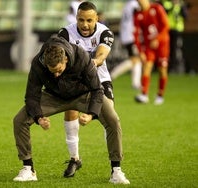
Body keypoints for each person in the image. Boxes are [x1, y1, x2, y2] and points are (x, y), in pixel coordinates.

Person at [12, 36, 130, 184]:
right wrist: (38, 117)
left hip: (83, 94)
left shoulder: (81, 56)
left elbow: (96, 89)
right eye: (52, 71)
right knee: (19, 120)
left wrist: (91, 114)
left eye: (59, 70)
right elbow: (31, 96)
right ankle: (28, 169)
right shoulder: (38, 63)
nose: (56, 74)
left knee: (113, 119)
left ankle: (116, 171)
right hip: (54, 96)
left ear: (65, 60)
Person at [58, 1, 126, 181]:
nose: (85, 24)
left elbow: (101, 56)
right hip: (75, 80)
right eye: (81, 20)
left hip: (100, 79)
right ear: (76, 18)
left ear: (97, 18)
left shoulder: (105, 32)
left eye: (89, 20)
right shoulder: (65, 33)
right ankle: (74, 158)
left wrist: (90, 64)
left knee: (111, 117)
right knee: (70, 110)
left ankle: (116, 170)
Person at [134, 0, 170, 105]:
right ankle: (144, 94)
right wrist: (140, 51)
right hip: (149, 46)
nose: (140, 2)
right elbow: (136, 34)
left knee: (162, 69)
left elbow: (166, 26)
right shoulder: (138, 14)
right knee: (147, 67)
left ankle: (160, 95)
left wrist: (157, 39)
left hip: (162, 45)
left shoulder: (157, 8)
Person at [110, 0, 142, 90]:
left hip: (126, 34)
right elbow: (139, 16)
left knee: (136, 59)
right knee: (135, 59)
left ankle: (136, 83)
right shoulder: (134, 5)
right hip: (131, 35)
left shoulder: (127, 5)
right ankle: (112, 74)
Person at [158, 0, 188, 73]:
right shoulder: (167, 4)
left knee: (175, 49)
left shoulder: (181, 5)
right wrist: (173, 6)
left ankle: (173, 68)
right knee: (166, 49)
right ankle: (163, 67)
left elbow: (186, 16)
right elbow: (164, 13)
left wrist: (180, 7)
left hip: (178, 30)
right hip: (167, 29)